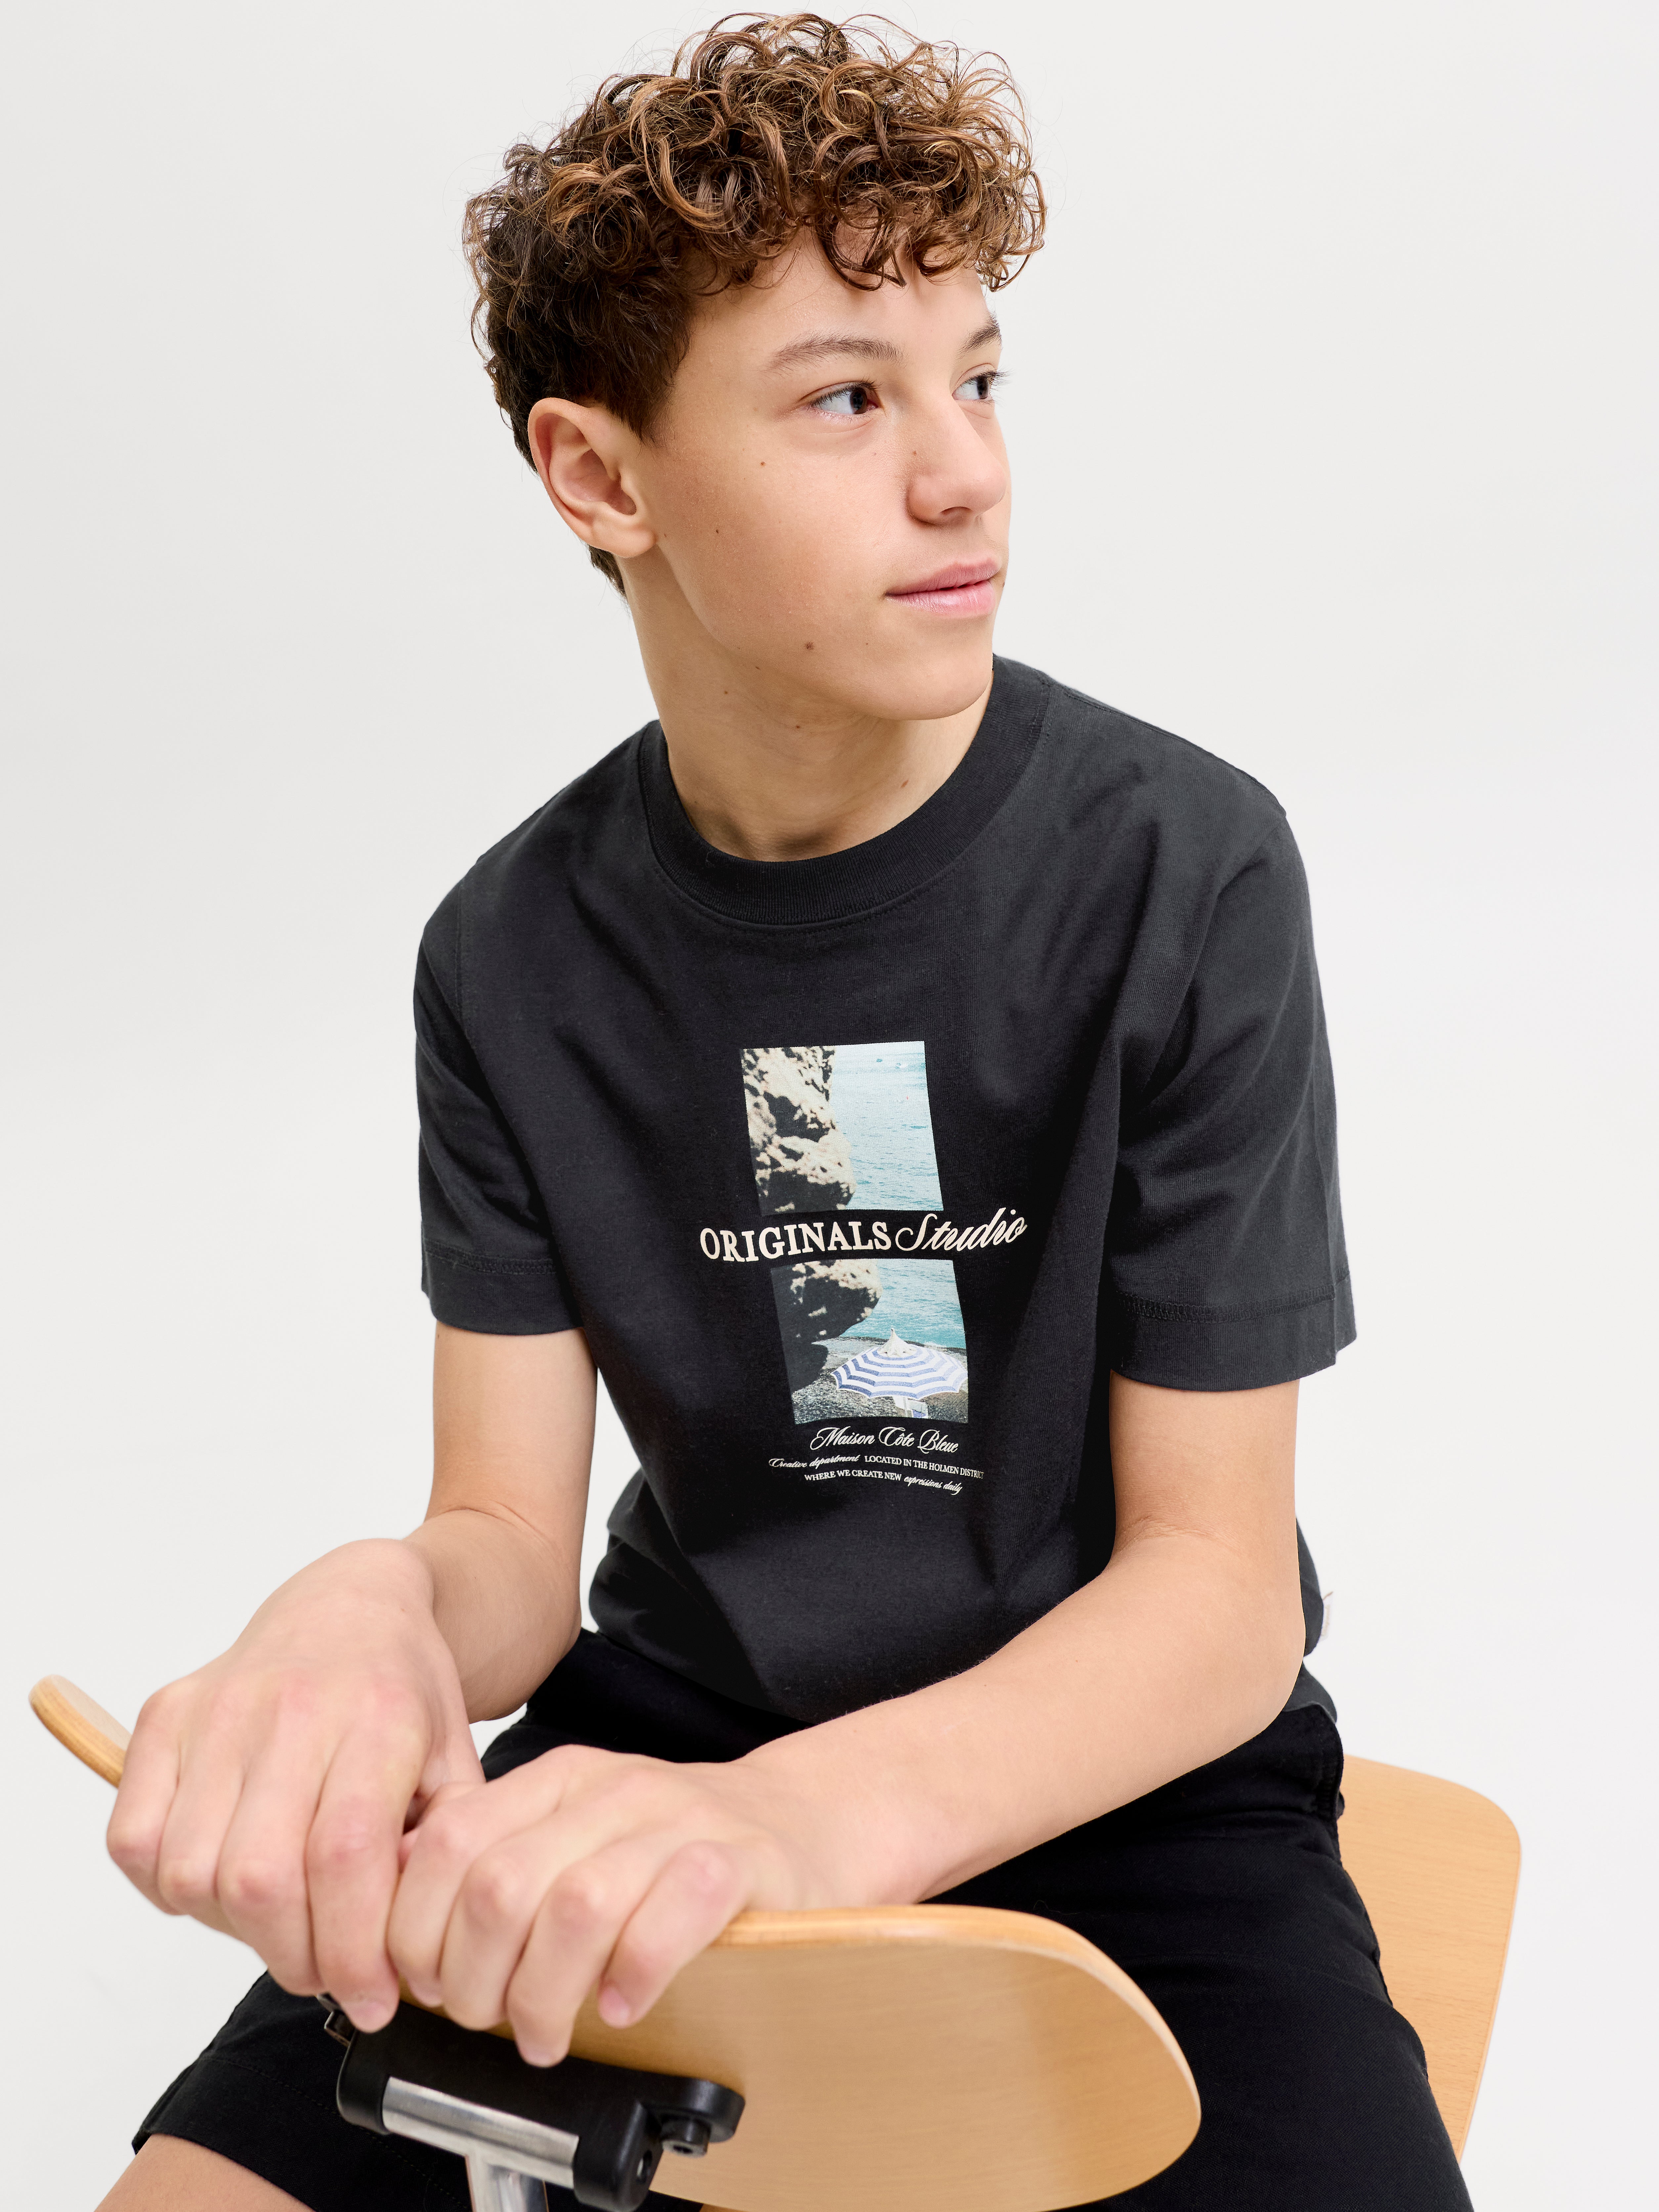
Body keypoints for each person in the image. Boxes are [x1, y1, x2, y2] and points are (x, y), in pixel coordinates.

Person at [96, 15, 1470, 2210]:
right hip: (670, 1740)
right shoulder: (506, 953)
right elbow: (504, 1560)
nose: (964, 473)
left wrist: (800, 1826)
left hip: (1126, 1785)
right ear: (598, 477)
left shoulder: (1181, 865)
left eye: (977, 378)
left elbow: (1212, 1596)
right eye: (846, 398)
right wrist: (369, 1610)